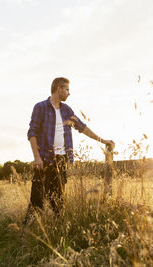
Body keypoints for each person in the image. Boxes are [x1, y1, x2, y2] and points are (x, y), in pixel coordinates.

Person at [26, 77, 114, 217]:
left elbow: (82, 127)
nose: (69, 93)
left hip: (61, 160)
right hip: (44, 160)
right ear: (59, 89)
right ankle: (27, 232)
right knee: (37, 201)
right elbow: (32, 133)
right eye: (67, 89)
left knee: (58, 201)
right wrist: (37, 157)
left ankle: (57, 231)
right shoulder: (40, 107)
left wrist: (103, 140)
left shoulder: (67, 110)